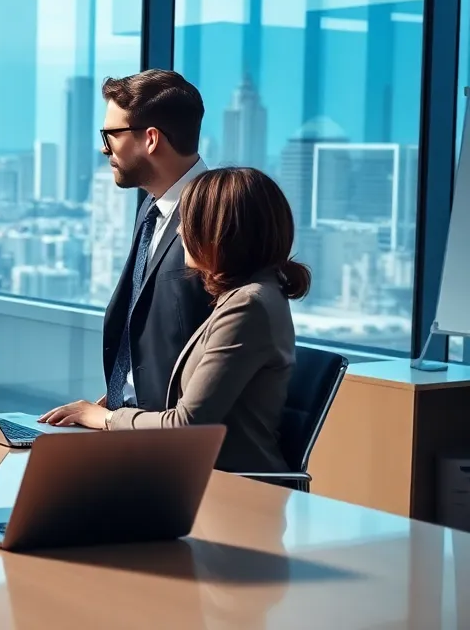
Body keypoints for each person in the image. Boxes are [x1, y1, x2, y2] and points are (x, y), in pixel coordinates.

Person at [40, 168, 308, 474]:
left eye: (189, 223)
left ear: (221, 232)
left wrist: (105, 419)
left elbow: (186, 424)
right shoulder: (249, 297)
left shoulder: (248, 305)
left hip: (229, 492)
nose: (180, 233)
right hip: (193, 478)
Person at [96, 69, 214, 413]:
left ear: (150, 139)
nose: (105, 149)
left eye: (110, 135)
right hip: (130, 422)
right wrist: (111, 408)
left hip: (175, 438)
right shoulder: (151, 207)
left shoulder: (216, 216)